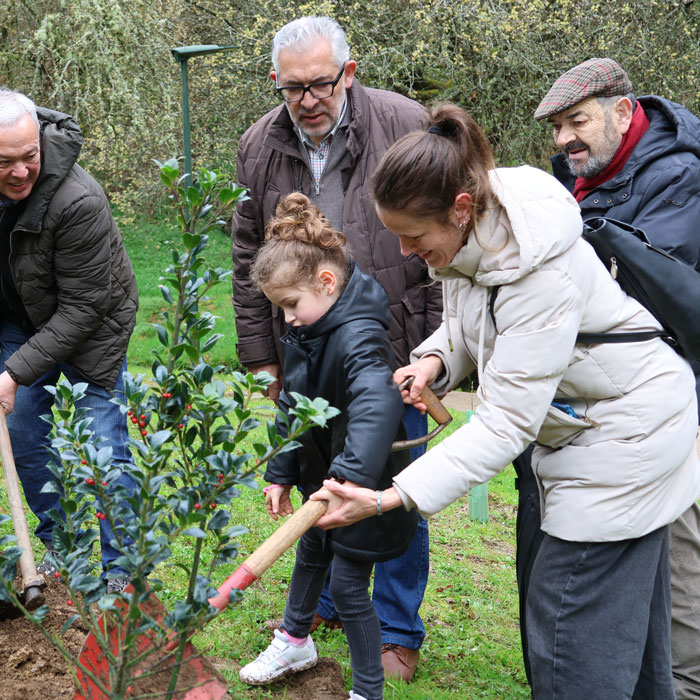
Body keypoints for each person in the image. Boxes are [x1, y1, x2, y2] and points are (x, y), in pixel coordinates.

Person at [316, 103, 700, 699]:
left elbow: (503, 424)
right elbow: (477, 323)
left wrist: (393, 496)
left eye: (415, 238)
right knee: (637, 658)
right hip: (601, 426)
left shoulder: (535, 269)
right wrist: (437, 360)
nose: (407, 252)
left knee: (571, 645)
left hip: (624, 440)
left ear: (461, 210)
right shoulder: (478, 234)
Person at [231, 15, 437, 680]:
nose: (309, 99)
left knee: (395, 487)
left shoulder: (404, 123)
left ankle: (397, 632)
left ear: (349, 73)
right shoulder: (259, 145)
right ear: (276, 84)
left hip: (395, 341)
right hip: (306, 349)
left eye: (322, 83)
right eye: (294, 88)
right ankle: (315, 617)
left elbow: (441, 245)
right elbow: (247, 255)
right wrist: (263, 353)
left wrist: (436, 349)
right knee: (325, 475)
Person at [532, 58, 700, 699]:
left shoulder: (677, 175)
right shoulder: (577, 175)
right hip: (606, 401)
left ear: (622, 111)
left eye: (576, 121)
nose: (564, 140)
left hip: (672, 397)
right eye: (556, 128)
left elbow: (647, 295)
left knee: (676, 550)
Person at [0, 89, 138, 589]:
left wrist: (15, 372)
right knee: (24, 434)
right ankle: (65, 549)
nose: (21, 171)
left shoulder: (78, 200)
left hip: (93, 325)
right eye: (4, 162)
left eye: (31, 156)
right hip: (21, 314)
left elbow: (84, 308)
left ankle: (123, 572)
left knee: (102, 445)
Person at [237, 193, 417, 699]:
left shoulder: (359, 334)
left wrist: (349, 479)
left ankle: (367, 691)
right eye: (280, 309)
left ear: (326, 282)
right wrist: (281, 470)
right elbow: (293, 401)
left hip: (363, 484)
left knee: (347, 587)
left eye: (291, 305)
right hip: (326, 476)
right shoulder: (310, 328)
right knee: (310, 553)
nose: (287, 318)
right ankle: (296, 640)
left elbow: (375, 408)